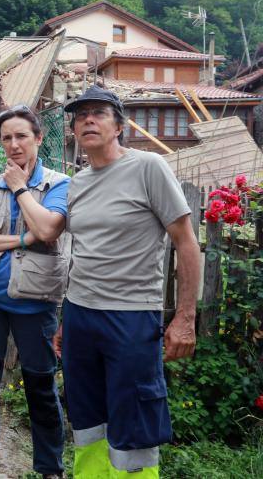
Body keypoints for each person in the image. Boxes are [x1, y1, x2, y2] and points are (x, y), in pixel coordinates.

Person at [60, 85, 200, 478]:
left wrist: (185, 316)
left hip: (131, 317)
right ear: (73, 131)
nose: (88, 119)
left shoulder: (148, 167)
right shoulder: (78, 182)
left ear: (118, 126)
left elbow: (187, 242)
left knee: (134, 420)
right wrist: (64, 319)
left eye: (99, 113)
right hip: (80, 316)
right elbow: (82, 253)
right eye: (81, 114)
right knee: (87, 420)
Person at [0, 106, 68, 479]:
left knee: (40, 388)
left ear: (39, 138)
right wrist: (21, 238)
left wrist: (21, 187)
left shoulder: (58, 185)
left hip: (36, 303)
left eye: (21, 136)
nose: (13, 144)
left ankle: (50, 469)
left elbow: (48, 230)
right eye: (6, 137)